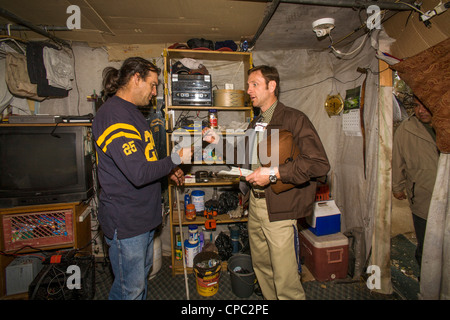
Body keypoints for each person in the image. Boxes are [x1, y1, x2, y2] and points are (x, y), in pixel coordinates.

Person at [203, 65, 330, 299]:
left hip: (281, 209)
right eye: (248, 84)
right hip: (256, 206)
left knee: (286, 279)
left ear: (272, 86)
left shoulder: (294, 119)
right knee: (263, 270)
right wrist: (216, 142)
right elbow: (242, 158)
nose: (248, 90)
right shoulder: (256, 123)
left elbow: (318, 164)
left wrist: (273, 173)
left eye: (254, 84)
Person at [92, 57, 190, 300]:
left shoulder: (132, 113)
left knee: (138, 284)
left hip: (142, 218)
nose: (155, 93)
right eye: (153, 84)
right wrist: (175, 159)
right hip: (127, 222)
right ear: (136, 78)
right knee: (130, 290)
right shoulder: (114, 116)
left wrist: (167, 169)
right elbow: (137, 174)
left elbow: (142, 161)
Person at [392, 96, 439, 269]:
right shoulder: (406, 129)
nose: (420, 111)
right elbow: (397, 161)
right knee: (426, 244)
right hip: (422, 195)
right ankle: (425, 284)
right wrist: (397, 186)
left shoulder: (444, 126)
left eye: (425, 106)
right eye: (417, 106)